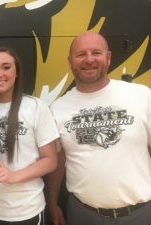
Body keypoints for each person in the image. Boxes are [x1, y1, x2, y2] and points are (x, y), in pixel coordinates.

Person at [47, 31, 151, 225]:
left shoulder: (142, 96)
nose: (89, 60)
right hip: (84, 214)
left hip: (141, 214)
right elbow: (58, 161)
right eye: (80, 55)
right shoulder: (57, 108)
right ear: (70, 61)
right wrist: (52, 202)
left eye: (96, 52)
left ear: (108, 57)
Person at [0, 46, 59, 225]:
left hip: (27, 210)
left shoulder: (36, 107)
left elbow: (51, 160)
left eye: (6, 67)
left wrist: (14, 176)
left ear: (17, 71)